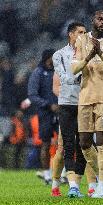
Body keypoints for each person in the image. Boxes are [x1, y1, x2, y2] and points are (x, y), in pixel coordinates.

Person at [71, 10, 103, 198]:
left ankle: (100, 184)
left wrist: (100, 52)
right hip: (85, 97)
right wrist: (89, 56)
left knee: (101, 141)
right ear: (93, 20)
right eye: (99, 19)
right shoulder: (81, 41)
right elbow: (74, 68)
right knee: (84, 143)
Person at [51, 22, 97, 198]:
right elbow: (64, 78)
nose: (83, 35)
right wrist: (82, 71)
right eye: (80, 32)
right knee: (64, 147)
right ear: (71, 34)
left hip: (85, 103)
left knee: (85, 145)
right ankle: (56, 184)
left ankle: (83, 185)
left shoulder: (91, 52)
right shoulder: (59, 55)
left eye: (85, 32)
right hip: (67, 104)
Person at [28, 49, 58, 184]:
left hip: (60, 111)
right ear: (48, 58)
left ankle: (63, 173)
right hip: (45, 113)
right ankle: (47, 175)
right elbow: (32, 95)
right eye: (54, 56)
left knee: (65, 142)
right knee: (45, 143)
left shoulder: (58, 71)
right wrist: (48, 105)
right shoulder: (38, 72)